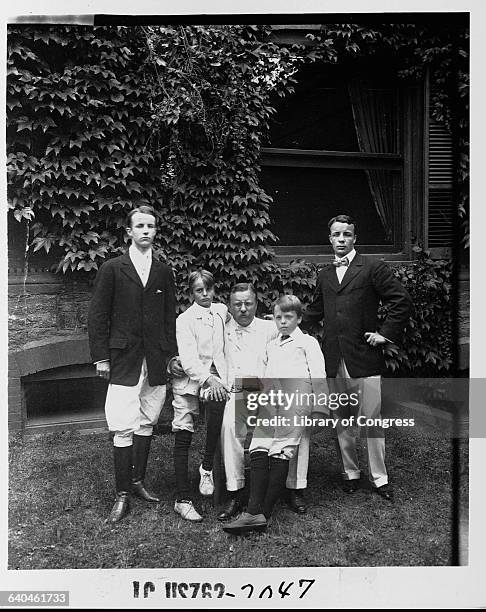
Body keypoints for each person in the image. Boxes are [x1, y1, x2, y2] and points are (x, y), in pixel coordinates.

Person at [304, 214, 413, 501]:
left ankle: (380, 478)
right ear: (329, 239)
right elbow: (315, 311)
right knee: (341, 419)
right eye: (336, 235)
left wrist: (384, 334)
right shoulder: (325, 274)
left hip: (364, 357)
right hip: (334, 357)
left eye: (347, 235)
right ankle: (350, 473)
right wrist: (284, 325)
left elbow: (400, 301)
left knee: (371, 420)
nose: (341, 240)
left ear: (355, 238)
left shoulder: (372, 267)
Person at [88, 205, 177, 524]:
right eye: (139, 226)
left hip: (154, 358)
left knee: (146, 419)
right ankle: (122, 493)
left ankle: (138, 482)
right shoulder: (113, 268)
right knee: (122, 421)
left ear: (155, 231)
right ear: (129, 231)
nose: (145, 231)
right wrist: (101, 356)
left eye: (150, 226)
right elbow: (98, 315)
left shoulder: (163, 271)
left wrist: (171, 356)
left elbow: (169, 318)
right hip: (123, 358)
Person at [223, 294, 327, 535]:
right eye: (278, 317)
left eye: (288, 317)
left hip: (295, 403)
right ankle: (252, 511)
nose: (282, 322)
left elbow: (319, 376)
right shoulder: (272, 345)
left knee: (281, 451)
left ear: (299, 318)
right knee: (259, 448)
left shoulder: (308, 343)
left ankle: (262, 512)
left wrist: (320, 409)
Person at [171, 269, 231, 522]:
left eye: (209, 289)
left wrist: (217, 380)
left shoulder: (221, 311)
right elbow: (188, 359)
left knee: (219, 405)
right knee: (183, 432)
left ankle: (207, 467)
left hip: (215, 378)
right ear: (191, 293)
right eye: (199, 290)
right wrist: (209, 378)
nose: (205, 294)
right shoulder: (184, 320)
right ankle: (182, 499)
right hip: (189, 379)